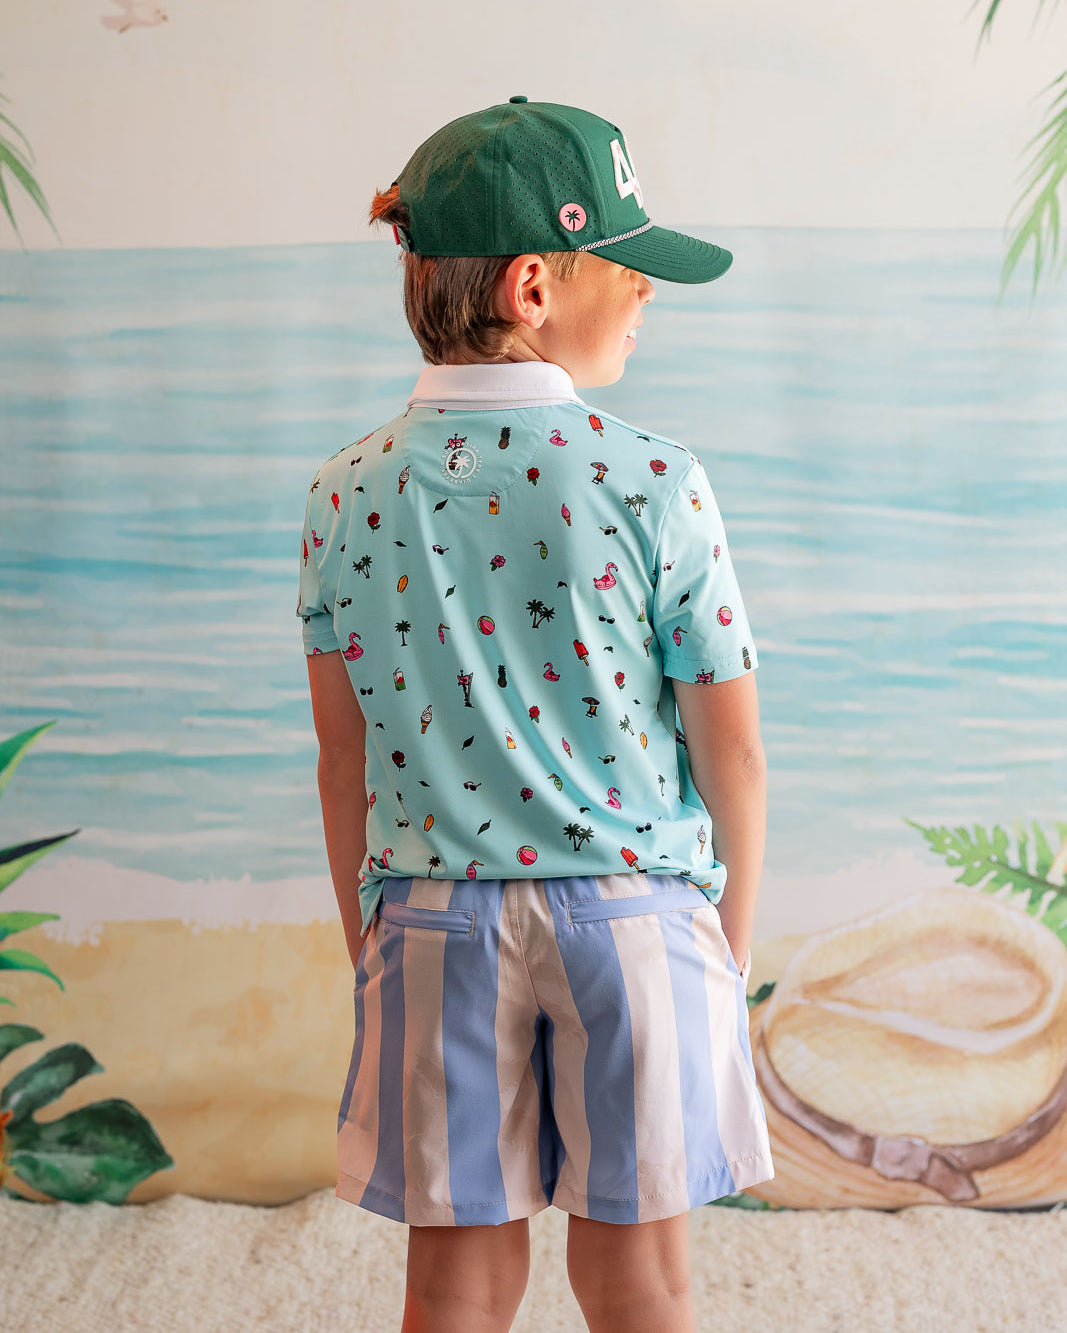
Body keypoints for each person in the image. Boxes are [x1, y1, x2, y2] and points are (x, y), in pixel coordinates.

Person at [297, 96, 773, 1333]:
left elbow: (340, 751)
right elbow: (732, 746)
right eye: (628, 268)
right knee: (641, 1280)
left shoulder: (344, 490)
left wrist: (370, 927)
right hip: (634, 921)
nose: (647, 294)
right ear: (530, 286)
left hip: (433, 919)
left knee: (453, 1281)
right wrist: (725, 930)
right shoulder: (656, 480)